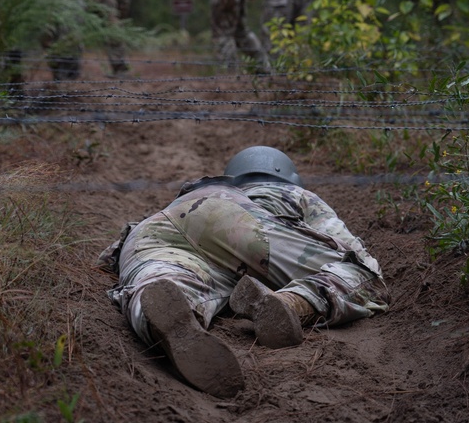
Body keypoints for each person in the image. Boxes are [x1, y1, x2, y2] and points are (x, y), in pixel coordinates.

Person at [98, 146, 390, 398]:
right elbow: (350, 249)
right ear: (290, 176)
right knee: (362, 272)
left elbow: (107, 259)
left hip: (153, 228)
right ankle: (292, 302)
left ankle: (156, 313)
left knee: (163, 280)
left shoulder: (214, 187)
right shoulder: (292, 191)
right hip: (234, 222)